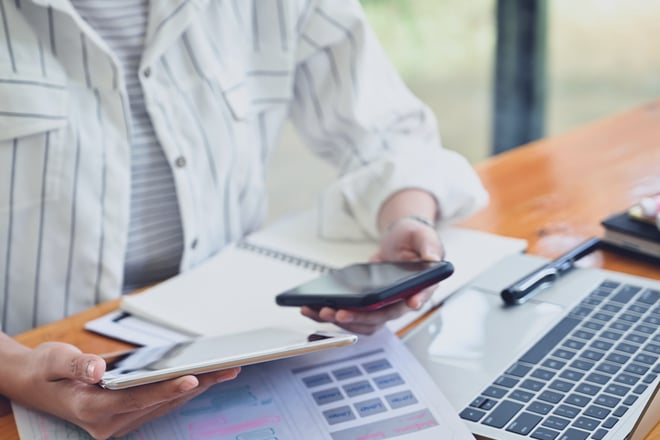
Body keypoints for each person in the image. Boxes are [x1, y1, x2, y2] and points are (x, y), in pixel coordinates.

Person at [0, 0, 488, 438]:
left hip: (228, 348)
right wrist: (18, 371)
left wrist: (407, 218)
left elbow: (390, 134)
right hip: (31, 358)